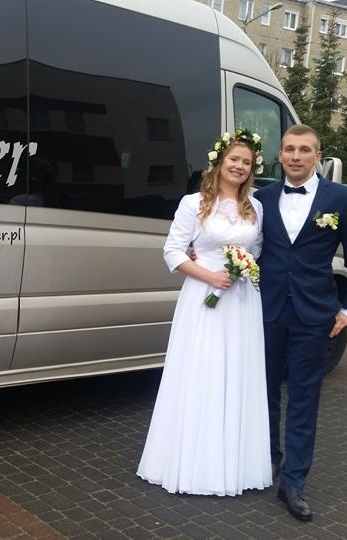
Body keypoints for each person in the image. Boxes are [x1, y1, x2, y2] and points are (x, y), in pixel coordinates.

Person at [137, 130, 271, 496]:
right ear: (220, 161)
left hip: (241, 300)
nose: (239, 166)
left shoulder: (256, 207)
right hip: (203, 296)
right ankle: (192, 461)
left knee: (237, 372)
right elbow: (173, 250)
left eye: (246, 162)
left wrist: (242, 267)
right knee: (202, 369)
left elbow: (257, 248)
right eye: (234, 159)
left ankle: (235, 463)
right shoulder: (193, 203)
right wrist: (209, 274)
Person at [253, 124, 347, 521]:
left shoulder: (341, 198)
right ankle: (267, 461)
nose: (296, 156)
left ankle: (294, 482)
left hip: (314, 316)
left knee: (304, 399)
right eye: (289, 149)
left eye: (304, 149)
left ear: (318, 156)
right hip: (267, 311)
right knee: (264, 393)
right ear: (280, 154)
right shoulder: (262, 198)